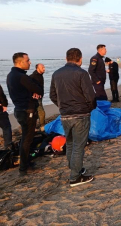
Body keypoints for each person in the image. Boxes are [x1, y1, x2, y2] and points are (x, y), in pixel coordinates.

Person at [50, 48, 96, 187]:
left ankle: (75, 169)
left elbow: (53, 95)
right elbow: (90, 96)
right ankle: (75, 177)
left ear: (66, 58)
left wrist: (63, 106)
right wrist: (89, 108)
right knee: (78, 146)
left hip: (65, 115)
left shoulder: (56, 74)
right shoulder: (81, 73)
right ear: (80, 59)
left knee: (70, 143)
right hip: (80, 114)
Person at [7, 52, 43, 176]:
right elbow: (39, 89)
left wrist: (31, 94)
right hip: (26, 111)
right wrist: (33, 93)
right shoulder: (21, 76)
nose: (30, 62)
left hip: (19, 109)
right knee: (27, 139)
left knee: (26, 138)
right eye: (27, 60)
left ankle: (25, 163)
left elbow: (24, 92)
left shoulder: (11, 75)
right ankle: (24, 168)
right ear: (20, 62)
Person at [30, 63, 46, 130]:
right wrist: (33, 93)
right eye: (42, 67)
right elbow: (29, 86)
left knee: (36, 112)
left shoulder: (40, 75)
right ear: (37, 68)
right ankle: (42, 126)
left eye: (44, 67)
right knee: (41, 112)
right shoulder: (33, 76)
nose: (44, 68)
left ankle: (35, 126)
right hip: (36, 98)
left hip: (39, 97)